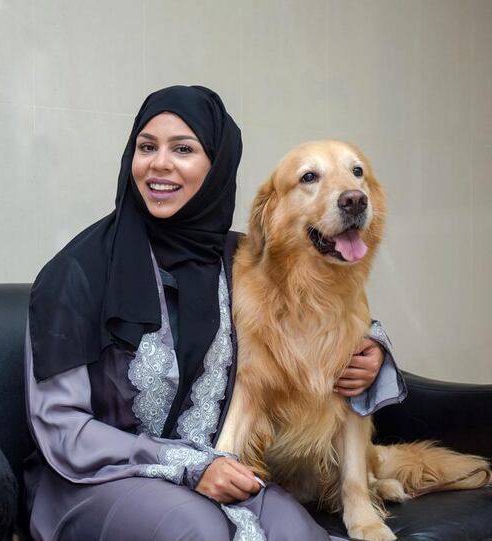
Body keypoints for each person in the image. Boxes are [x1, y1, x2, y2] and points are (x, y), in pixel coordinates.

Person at [24, 85, 405, 540]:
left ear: (218, 165)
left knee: (296, 533)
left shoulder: (238, 260)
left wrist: (371, 356)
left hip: (218, 472)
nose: (160, 163)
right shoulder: (77, 272)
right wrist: (189, 466)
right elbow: (61, 428)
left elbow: (314, 320)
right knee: (198, 528)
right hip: (95, 480)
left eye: (182, 149)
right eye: (147, 147)